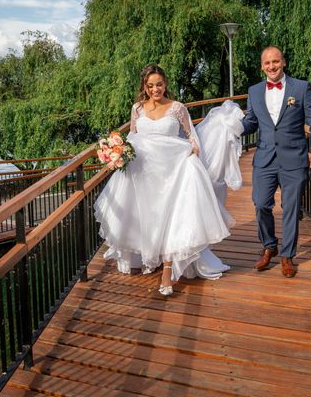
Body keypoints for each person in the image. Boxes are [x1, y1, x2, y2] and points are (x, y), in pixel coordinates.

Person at [94, 64, 242, 296]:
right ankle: (149, 257)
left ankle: (167, 271)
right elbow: (133, 136)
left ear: (166, 84)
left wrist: (194, 148)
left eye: (159, 84)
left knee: (173, 217)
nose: (156, 89)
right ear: (144, 86)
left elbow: (191, 135)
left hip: (173, 170)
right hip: (144, 172)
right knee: (149, 217)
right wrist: (118, 152)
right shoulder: (137, 109)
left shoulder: (178, 108)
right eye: (150, 85)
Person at [241, 46, 311, 278]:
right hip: (265, 159)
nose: (272, 66)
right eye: (267, 63)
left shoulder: (301, 87)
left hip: (295, 158)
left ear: (283, 62)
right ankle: (269, 245)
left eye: (275, 62)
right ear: (262, 66)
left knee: (291, 208)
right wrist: (234, 126)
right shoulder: (254, 91)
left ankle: (287, 255)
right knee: (260, 204)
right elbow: (251, 122)